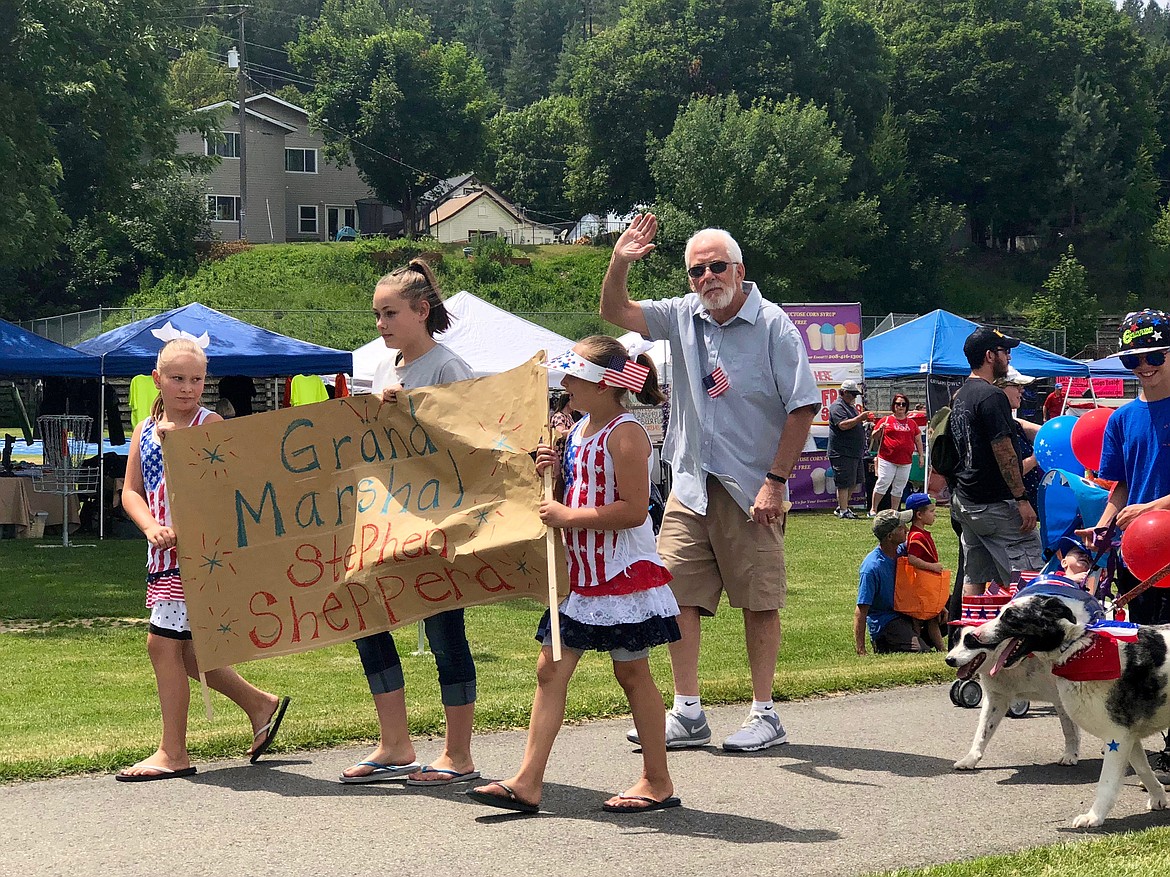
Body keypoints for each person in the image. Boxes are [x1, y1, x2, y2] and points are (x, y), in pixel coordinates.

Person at [600, 215, 819, 752]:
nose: (706, 279)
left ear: (740, 270)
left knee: (758, 600)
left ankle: (765, 713)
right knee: (677, 597)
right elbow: (613, 312)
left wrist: (776, 481)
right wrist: (619, 262)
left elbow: (803, 407)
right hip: (691, 483)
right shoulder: (683, 316)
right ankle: (689, 711)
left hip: (751, 487)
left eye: (716, 267)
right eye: (696, 271)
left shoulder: (774, 325)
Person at [468, 336, 681, 814]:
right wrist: (552, 471)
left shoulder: (627, 433)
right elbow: (573, 492)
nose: (565, 384)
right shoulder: (581, 428)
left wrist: (567, 516)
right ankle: (527, 782)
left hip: (620, 574)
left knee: (632, 672)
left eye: (574, 376)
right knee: (550, 670)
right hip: (578, 578)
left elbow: (631, 511)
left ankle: (657, 780)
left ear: (605, 384)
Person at [117, 338, 288, 781]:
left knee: (162, 645)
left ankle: (173, 751)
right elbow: (131, 490)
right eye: (177, 378)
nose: (188, 388)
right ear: (157, 379)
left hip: (200, 555)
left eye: (196, 379)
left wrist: (187, 445)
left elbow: (225, 481)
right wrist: (150, 527)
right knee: (190, 651)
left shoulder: (208, 422)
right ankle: (259, 704)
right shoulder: (142, 429)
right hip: (164, 552)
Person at [340, 259, 481, 786]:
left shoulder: (449, 367)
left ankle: (458, 754)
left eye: (390, 313)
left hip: (439, 521)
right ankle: (395, 744)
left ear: (421, 312)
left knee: (445, 632)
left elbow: (473, 441)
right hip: (385, 518)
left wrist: (414, 410)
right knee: (365, 617)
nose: (380, 324)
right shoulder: (383, 368)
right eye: (377, 314)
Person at [1080, 309, 1170, 624]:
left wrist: (1148, 509)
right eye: (1132, 360)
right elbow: (1123, 485)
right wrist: (1103, 526)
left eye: (1154, 357)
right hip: (1140, 549)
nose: (1144, 367)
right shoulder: (1120, 419)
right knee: (1146, 645)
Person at [948, 327, 1043, 596]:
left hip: (967, 501)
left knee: (974, 577)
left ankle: (969, 635)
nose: (1009, 358)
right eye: (1005, 352)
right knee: (1031, 579)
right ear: (990, 356)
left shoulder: (961, 395)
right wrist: (1022, 499)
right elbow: (1004, 452)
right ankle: (1032, 637)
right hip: (995, 504)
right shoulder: (992, 396)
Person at [854, 509, 924, 654]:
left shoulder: (903, 551)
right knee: (920, 651)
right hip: (886, 621)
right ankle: (885, 645)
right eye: (901, 527)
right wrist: (861, 649)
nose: (906, 529)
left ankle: (914, 637)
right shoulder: (872, 567)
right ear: (890, 536)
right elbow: (861, 610)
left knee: (950, 608)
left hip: (906, 613)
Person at [902, 492, 947, 651]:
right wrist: (933, 567)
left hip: (927, 583)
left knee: (931, 618)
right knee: (926, 619)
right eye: (932, 511)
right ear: (919, 515)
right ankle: (938, 648)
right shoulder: (916, 536)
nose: (935, 515)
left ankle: (930, 646)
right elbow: (912, 559)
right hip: (921, 584)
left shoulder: (922, 534)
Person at [868, 392, 924, 517]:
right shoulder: (886, 420)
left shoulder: (912, 423)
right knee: (883, 482)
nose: (901, 406)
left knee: (899, 487)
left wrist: (921, 456)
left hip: (905, 461)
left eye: (903, 404)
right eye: (898, 404)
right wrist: (879, 429)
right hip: (887, 458)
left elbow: (918, 440)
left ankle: (894, 511)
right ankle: (873, 509)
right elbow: (874, 436)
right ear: (893, 405)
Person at [994, 367, 1042, 508]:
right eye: (1016, 386)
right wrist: (1034, 459)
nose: (1022, 390)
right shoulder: (998, 426)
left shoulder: (1013, 423)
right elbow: (1006, 470)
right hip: (1011, 507)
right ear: (999, 388)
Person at [827, 379, 871, 519]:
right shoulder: (837, 406)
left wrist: (864, 424)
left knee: (855, 480)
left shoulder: (850, 406)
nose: (854, 397)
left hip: (854, 452)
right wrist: (860, 418)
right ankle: (843, 510)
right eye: (852, 394)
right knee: (844, 482)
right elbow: (843, 425)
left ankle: (843, 507)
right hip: (842, 452)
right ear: (844, 392)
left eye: (855, 395)